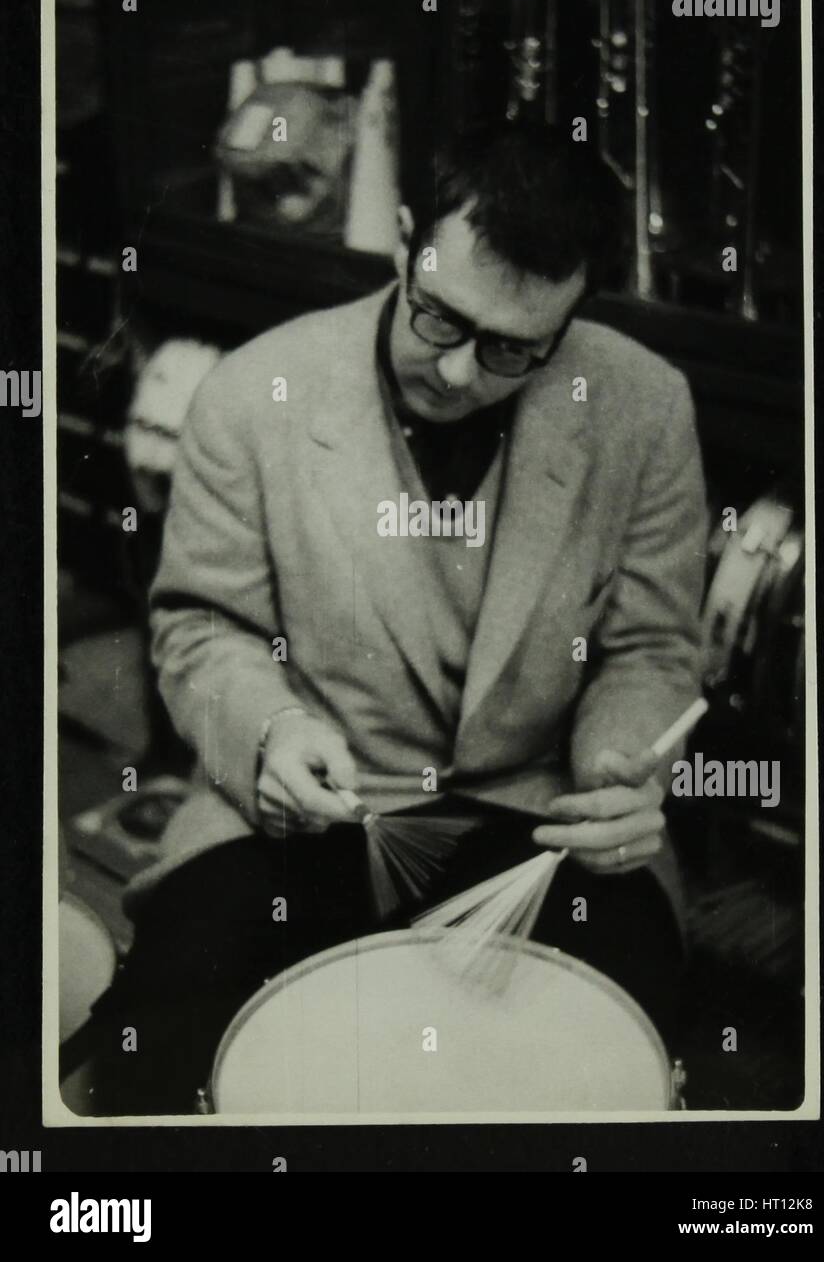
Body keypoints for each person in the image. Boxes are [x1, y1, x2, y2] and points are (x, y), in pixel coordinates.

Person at [86, 123, 707, 1115]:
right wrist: (273, 732)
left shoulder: (642, 405)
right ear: (406, 239)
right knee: (162, 1042)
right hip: (314, 807)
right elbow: (200, 625)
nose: (461, 373)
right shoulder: (253, 394)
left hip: (542, 812)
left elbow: (651, 643)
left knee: (605, 1064)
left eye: (512, 348)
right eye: (439, 319)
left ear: (572, 312)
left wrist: (618, 771)